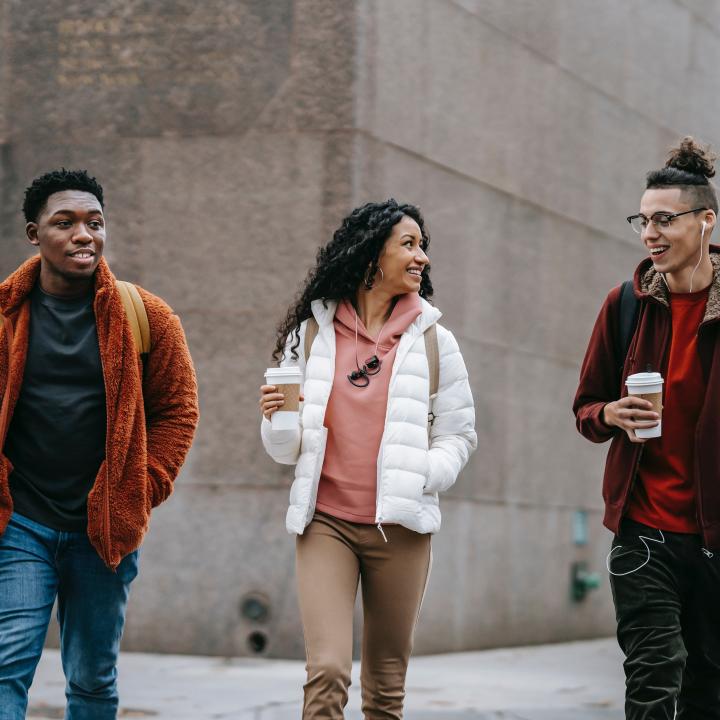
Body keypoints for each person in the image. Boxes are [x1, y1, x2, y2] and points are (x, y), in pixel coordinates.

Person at [259, 199, 476, 719]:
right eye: (409, 244)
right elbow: (284, 450)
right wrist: (274, 421)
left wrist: (424, 474)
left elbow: (459, 434)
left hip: (401, 529)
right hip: (326, 523)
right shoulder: (310, 335)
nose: (421, 256)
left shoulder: (434, 342)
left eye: (423, 245)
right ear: (371, 253)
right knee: (328, 671)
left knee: (384, 686)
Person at [0, 169, 199, 719]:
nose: (83, 234)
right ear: (33, 234)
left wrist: (142, 485)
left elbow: (177, 412)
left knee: (92, 676)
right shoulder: (5, 316)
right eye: (64, 223)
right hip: (21, 520)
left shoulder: (146, 316)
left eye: (95, 222)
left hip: (104, 526)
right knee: (7, 664)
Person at [573, 137, 720, 719]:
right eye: (643, 220)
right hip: (644, 530)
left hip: (715, 535)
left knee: (708, 689)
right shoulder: (625, 305)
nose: (649, 233)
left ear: (706, 220)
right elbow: (585, 406)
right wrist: (608, 414)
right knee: (653, 674)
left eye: (664, 219)